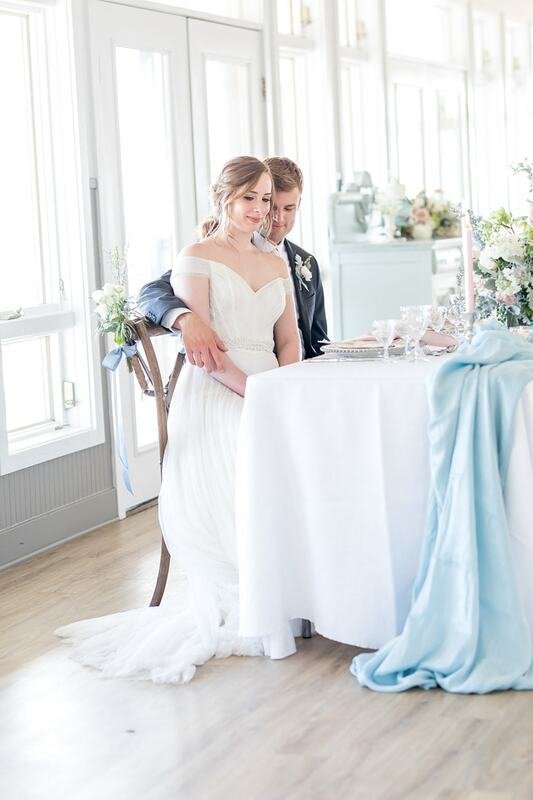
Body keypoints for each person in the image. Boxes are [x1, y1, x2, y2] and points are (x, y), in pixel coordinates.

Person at [56, 157, 301, 683]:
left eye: (266, 199)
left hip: (271, 387)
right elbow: (204, 353)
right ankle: (251, 596)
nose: (260, 210)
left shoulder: (275, 263)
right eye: (249, 198)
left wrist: (287, 392)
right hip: (220, 389)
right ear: (223, 198)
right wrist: (255, 392)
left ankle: (296, 587)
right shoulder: (197, 257)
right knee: (248, 459)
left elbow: (288, 342)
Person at [137, 157, 328, 365]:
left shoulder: (306, 262)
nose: (278, 218)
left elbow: (318, 342)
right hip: (233, 370)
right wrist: (185, 318)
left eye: (288, 209)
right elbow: (152, 292)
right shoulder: (211, 253)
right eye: (272, 206)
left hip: (294, 376)